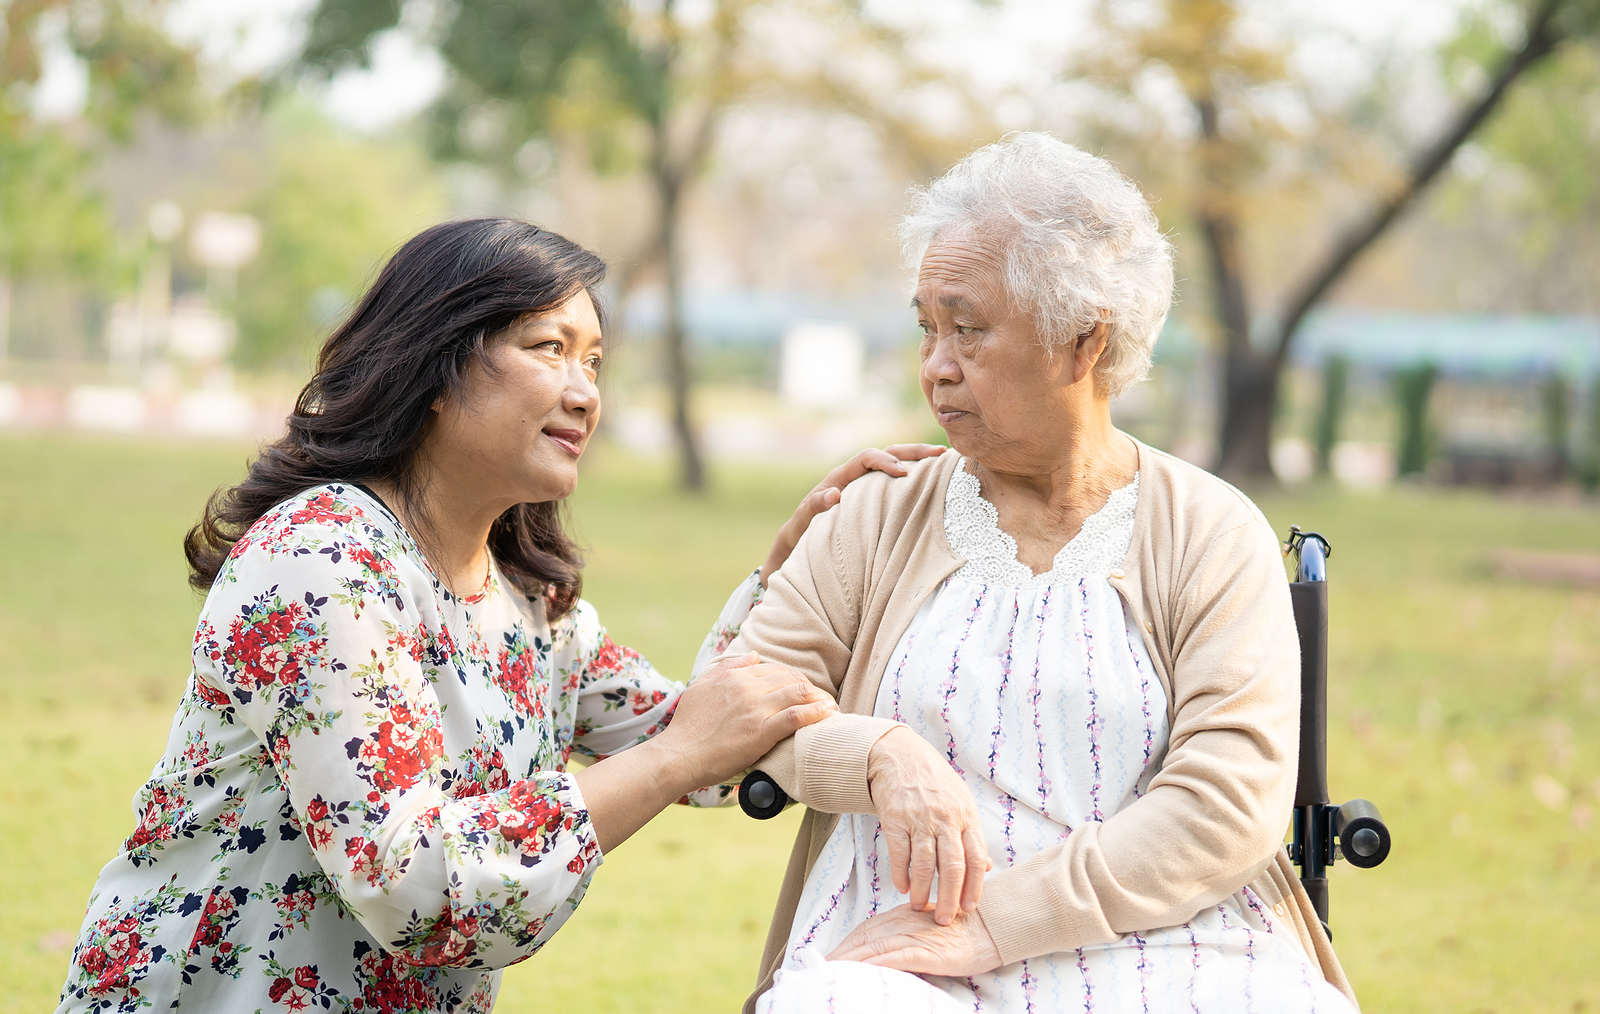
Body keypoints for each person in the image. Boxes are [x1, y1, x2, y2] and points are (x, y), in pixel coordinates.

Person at [54, 218, 942, 1013]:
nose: (586, 391)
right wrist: (680, 754)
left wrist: (789, 573)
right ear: (434, 365)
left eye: (593, 360)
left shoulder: (526, 602)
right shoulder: (325, 556)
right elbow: (414, 885)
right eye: (548, 347)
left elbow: (705, 747)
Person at [720, 133, 1361, 1013]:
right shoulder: (878, 511)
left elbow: (1226, 803)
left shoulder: (1209, 530)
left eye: (969, 330)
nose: (936, 365)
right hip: (904, 941)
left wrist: (995, 923)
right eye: (927, 328)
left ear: (1082, 342)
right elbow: (741, 706)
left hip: (1171, 942)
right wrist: (878, 753)